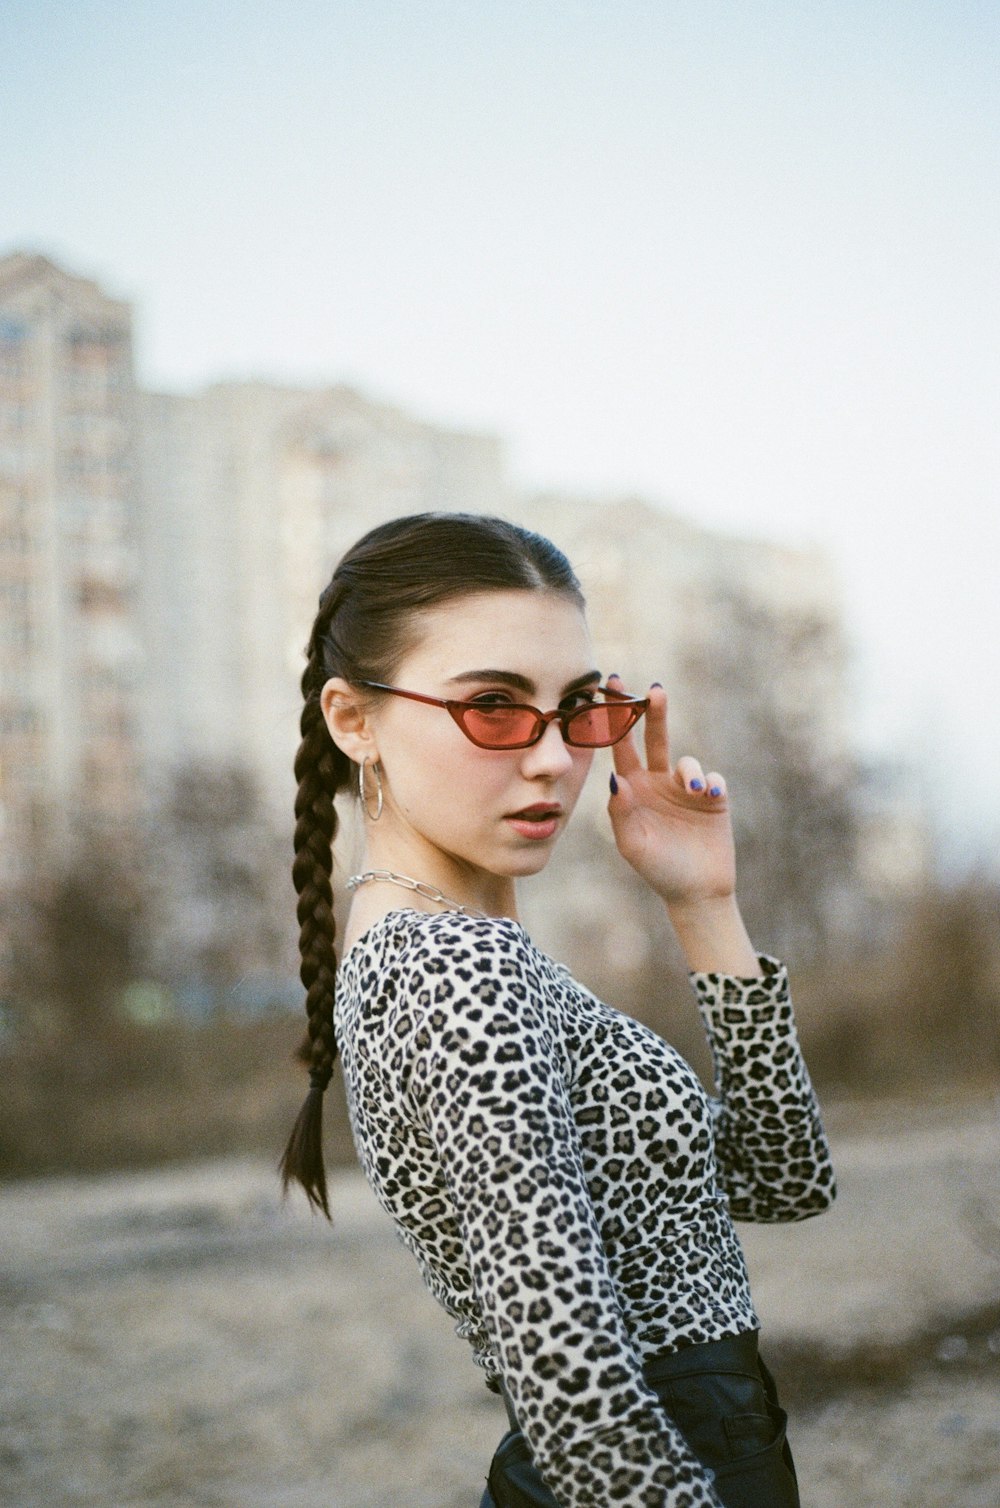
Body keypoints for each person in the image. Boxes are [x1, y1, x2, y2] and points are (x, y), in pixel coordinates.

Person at [280, 512, 836, 1508]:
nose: (550, 758)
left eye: (575, 706)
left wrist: (702, 901)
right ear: (353, 718)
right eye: (492, 706)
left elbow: (778, 1177)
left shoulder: (447, 948)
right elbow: (575, 1389)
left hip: (708, 1439)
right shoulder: (453, 964)